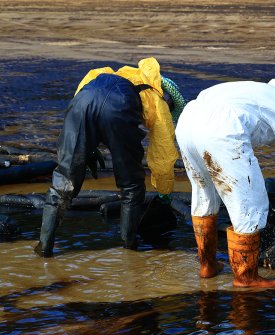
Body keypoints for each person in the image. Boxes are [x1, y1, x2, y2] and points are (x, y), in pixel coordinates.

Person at [175, 75, 275, 289]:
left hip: (187, 123)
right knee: (250, 203)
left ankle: (208, 266)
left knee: (204, 194)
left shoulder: (255, 91)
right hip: (222, 127)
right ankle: (246, 278)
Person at [34, 57, 185, 257]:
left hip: (82, 102)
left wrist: (89, 145)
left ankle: (43, 247)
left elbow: (83, 96)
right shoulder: (158, 101)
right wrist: (165, 193)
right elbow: (163, 154)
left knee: (64, 182)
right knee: (131, 185)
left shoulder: (106, 72)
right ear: (167, 95)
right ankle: (130, 250)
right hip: (119, 108)